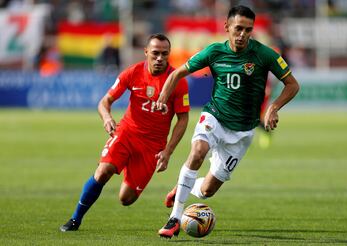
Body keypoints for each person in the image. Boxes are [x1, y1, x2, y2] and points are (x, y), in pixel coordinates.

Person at [156, 5, 300, 238]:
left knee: (206, 191)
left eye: (248, 30)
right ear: (227, 27)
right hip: (215, 116)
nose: (243, 34)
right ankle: (174, 218)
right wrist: (163, 95)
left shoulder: (264, 54)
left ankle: (184, 186)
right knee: (197, 152)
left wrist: (273, 107)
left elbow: (293, 84)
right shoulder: (214, 52)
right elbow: (176, 73)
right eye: (238, 28)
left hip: (242, 132)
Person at [60, 33, 190, 232]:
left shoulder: (177, 81)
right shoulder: (133, 72)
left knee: (126, 199)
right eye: (155, 53)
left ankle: (127, 166)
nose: (160, 58)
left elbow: (183, 119)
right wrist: (107, 118)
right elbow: (104, 102)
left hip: (152, 146)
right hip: (127, 134)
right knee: (104, 171)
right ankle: (75, 219)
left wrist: (168, 151)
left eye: (165, 54)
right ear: (146, 52)